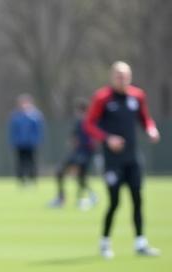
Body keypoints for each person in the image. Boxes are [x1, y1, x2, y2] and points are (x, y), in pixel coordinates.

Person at [84, 61, 161, 258]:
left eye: (125, 75)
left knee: (137, 199)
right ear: (112, 77)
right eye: (119, 75)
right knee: (115, 201)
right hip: (112, 161)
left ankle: (140, 242)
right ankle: (105, 242)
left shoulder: (137, 96)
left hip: (132, 158)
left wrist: (151, 129)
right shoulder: (102, 98)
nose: (122, 79)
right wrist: (107, 139)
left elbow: (145, 119)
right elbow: (89, 124)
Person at [49, 99, 97, 209]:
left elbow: (94, 140)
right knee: (60, 171)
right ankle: (61, 198)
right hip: (77, 152)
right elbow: (73, 139)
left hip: (86, 153)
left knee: (80, 176)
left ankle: (83, 198)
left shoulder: (92, 122)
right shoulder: (78, 123)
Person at [8, 94, 44, 185]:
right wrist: (14, 141)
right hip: (20, 143)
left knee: (32, 161)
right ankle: (21, 180)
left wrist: (36, 140)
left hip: (31, 144)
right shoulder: (16, 116)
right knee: (20, 162)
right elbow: (13, 130)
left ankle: (33, 179)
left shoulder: (35, 116)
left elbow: (38, 130)